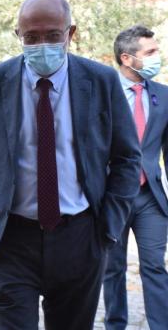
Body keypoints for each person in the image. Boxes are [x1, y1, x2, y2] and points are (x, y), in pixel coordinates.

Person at [0, 0, 141, 329]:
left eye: (52, 35)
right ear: (18, 35)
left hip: (79, 236)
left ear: (70, 33)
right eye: (31, 37)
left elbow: (126, 158)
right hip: (11, 239)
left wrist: (109, 225)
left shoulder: (101, 81)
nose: (41, 44)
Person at [102, 25, 168, 330]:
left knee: (155, 265)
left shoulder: (164, 96)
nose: (159, 57)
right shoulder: (103, 92)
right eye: (151, 52)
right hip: (111, 196)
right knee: (111, 268)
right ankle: (115, 325)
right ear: (127, 58)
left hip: (150, 198)